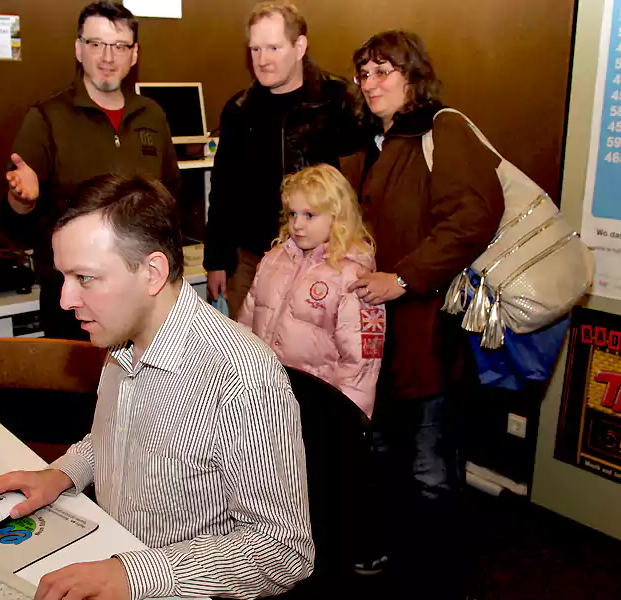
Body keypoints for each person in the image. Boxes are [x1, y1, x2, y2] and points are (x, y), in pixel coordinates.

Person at [0, 174, 315, 600]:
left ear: (152, 272)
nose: (65, 300)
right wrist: (61, 474)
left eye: (84, 278)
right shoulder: (121, 339)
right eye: (63, 277)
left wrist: (134, 575)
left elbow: (284, 552)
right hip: (116, 552)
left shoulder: (240, 376)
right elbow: (118, 437)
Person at [340, 30, 505, 588]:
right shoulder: (377, 143)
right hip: (382, 335)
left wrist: (403, 277)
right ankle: (399, 556)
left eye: (383, 71)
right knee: (384, 455)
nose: (370, 83)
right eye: (364, 73)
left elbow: (473, 217)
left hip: (429, 330)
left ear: (413, 75)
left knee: (431, 467)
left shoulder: (444, 129)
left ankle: (445, 574)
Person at [0, 1, 180, 341]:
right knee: (82, 396)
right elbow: (14, 225)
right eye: (95, 44)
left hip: (144, 303)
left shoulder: (152, 116)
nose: (107, 57)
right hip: (74, 305)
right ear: (79, 49)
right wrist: (21, 199)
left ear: (134, 53)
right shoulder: (47, 118)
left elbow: (171, 199)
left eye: (119, 46)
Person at [203, 1, 361, 321]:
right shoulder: (239, 110)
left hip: (325, 261)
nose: (263, 60)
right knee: (249, 359)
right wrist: (216, 260)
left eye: (274, 47)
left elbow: (364, 180)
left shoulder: (338, 101)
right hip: (252, 260)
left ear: (299, 46)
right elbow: (223, 188)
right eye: (255, 49)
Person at [238, 164, 384, 419]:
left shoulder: (354, 276)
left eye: (310, 215)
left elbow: (361, 363)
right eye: (292, 214)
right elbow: (245, 329)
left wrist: (347, 420)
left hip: (319, 408)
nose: (297, 225)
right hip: (264, 400)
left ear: (337, 216)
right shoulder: (273, 261)